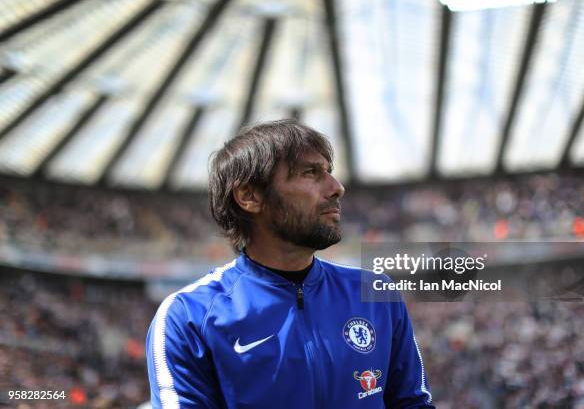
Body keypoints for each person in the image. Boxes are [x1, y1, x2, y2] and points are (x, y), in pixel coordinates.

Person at [146, 119, 434, 408]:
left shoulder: (375, 292)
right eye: (311, 172)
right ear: (249, 196)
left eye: (329, 172)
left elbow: (412, 404)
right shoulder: (188, 318)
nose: (337, 188)